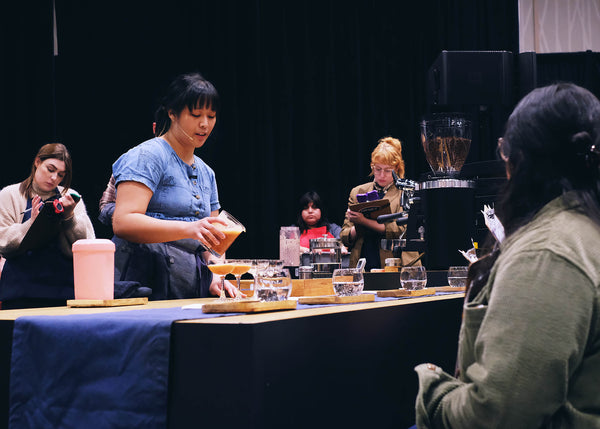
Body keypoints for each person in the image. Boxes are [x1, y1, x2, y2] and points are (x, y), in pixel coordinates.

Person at [414, 83, 600, 428]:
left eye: (504, 152)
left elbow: (497, 414)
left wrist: (434, 392)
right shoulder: (584, 230)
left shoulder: (546, 255)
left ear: (520, 161)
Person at [111, 72, 239, 300]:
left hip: (189, 282)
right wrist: (188, 229)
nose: (204, 124)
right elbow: (123, 221)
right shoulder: (148, 155)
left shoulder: (207, 172)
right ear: (172, 113)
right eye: (196, 114)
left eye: (211, 116)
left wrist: (217, 275)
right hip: (142, 278)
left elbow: (215, 241)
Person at [0, 143, 95, 309]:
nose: (54, 178)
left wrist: (69, 217)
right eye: (50, 169)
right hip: (20, 291)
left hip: (64, 290)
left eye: (60, 175)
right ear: (37, 162)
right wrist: (30, 224)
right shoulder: (10, 195)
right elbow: (3, 243)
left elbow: (87, 245)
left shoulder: (71, 197)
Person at [340, 136, 418, 270]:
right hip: (363, 260)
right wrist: (356, 224)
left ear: (397, 168)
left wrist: (364, 221)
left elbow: (399, 230)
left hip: (396, 262)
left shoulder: (406, 191)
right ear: (372, 167)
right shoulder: (357, 192)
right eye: (378, 169)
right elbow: (345, 236)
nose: (382, 175)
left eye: (388, 170)